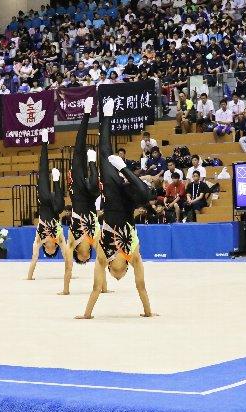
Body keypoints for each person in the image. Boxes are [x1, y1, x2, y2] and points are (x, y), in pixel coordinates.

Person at [76, 98, 155, 320]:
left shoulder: (103, 256)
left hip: (112, 200)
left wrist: (86, 315)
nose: (116, 274)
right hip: (126, 202)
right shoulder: (134, 255)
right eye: (119, 274)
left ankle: (107, 115)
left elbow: (95, 289)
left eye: (113, 273)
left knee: (104, 153)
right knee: (146, 195)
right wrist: (148, 312)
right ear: (124, 268)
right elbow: (141, 288)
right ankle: (126, 169)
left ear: (111, 268)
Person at [61, 97, 101, 295]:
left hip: (78, 196)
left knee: (77, 152)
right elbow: (102, 261)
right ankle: (93, 162)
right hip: (91, 197)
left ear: (79, 254)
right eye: (88, 259)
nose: (86, 258)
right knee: (96, 184)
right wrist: (103, 288)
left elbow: (68, 266)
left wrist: (65, 289)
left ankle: (86, 114)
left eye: (83, 259)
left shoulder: (71, 240)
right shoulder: (95, 239)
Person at [26, 129, 68, 280]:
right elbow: (66, 255)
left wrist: (29, 277)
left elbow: (34, 258)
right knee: (60, 208)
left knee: (42, 172)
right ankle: (56, 181)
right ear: (54, 247)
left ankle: (44, 143)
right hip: (56, 204)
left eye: (48, 251)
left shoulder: (39, 239)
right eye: (51, 252)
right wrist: (69, 273)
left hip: (44, 201)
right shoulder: (60, 239)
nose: (49, 249)